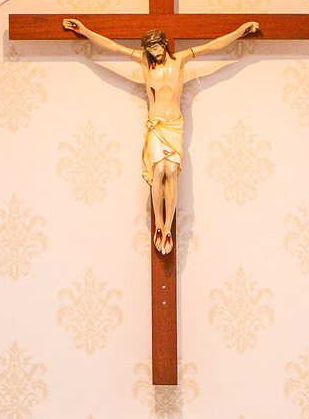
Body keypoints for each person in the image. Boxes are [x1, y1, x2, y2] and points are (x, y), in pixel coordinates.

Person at [62, 18, 260, 253]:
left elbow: (211, 46)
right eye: (149, 48)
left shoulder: (181, 59)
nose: (153, 52)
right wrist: (85, 31)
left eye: (155, 47)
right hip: (156, 124)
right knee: (158, 170)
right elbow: (114, 47)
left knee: (172, 172)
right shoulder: (145, 62)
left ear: (164, 44)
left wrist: (239, 32)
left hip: (174, 124)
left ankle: (167, 227)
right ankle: (158, 223)